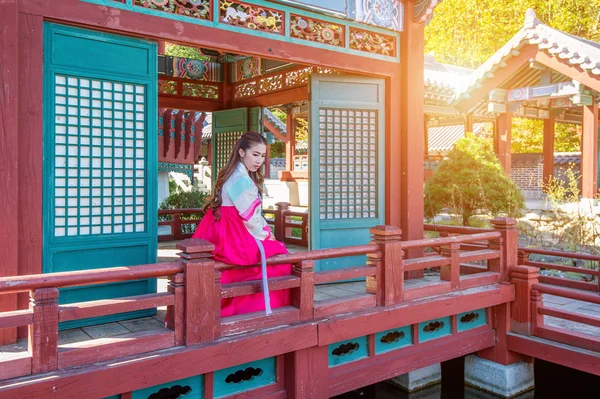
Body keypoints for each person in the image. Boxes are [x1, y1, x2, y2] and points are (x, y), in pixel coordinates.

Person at [192, 131, 291, 317]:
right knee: (281, 259)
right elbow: (251, 219)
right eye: (255, 154)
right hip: (234, 234)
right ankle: (260, 310)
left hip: (224, 230)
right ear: (241, 152)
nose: (259, 160)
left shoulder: (237, 175)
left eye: (262, 156)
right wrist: (267, 235)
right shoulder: (240, 180)